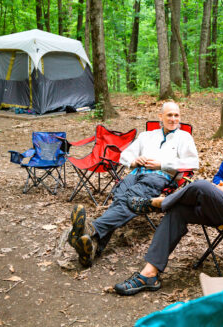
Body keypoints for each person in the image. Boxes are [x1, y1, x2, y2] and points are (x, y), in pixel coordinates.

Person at [113, 98, 223, 296]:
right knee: (178, 210)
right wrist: (220, 189)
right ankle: (149, 274)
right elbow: (220, 175)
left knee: (199, 185)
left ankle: (162, 202)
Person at [67, 102, 199, 267]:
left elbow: (193, 163)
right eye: (169, 115)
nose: (173, 119)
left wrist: (162, 164)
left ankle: (91, 228)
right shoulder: (147, 136)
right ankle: (92, 247)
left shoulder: (184, 137)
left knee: (127, 199)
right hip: (135, 174)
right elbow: (124, 156)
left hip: (160, 178)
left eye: (176, 115)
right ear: (160, 117)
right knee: (120, 199)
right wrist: (134, 161)